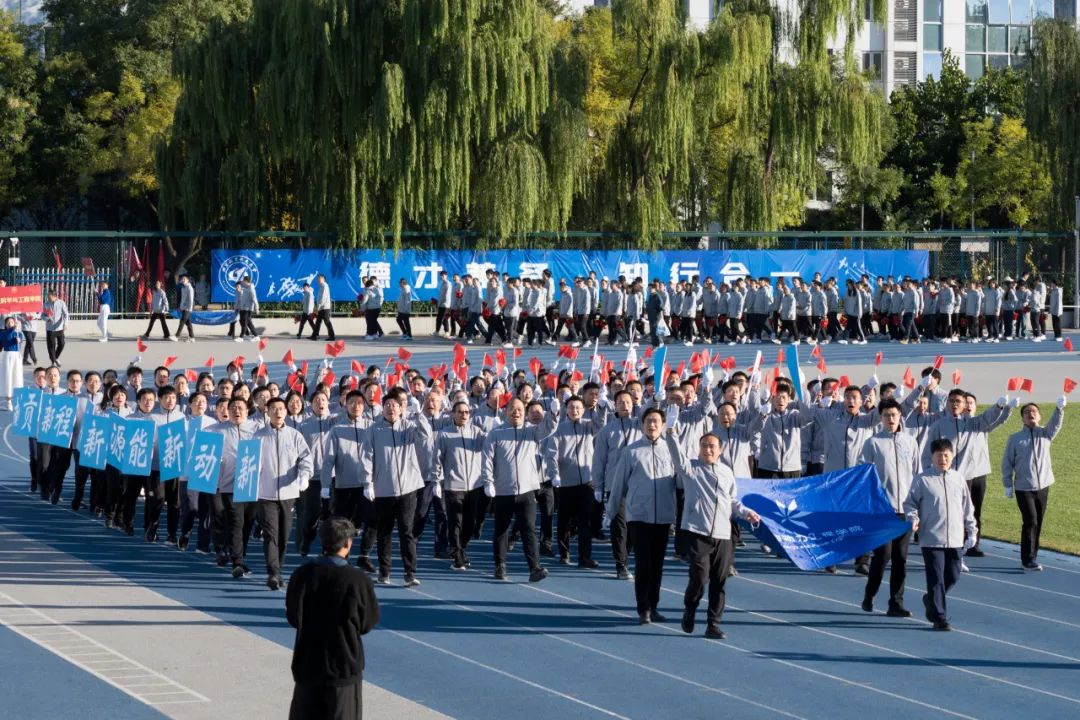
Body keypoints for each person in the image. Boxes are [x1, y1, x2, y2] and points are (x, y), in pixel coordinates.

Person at [666, 430, 759, 639]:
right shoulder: (691, 468)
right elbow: (677, 457)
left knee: (720, 580)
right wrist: (671, 434)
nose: (708, 450)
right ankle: (690, 608)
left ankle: (713, 624)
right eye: (704, 446)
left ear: (720, 450)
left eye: (712, 446)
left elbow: (732, 501)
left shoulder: (726, 472)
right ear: (699, 449)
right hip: (698, 531)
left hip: (723, 534)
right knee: (700, 578)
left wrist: (747, 513)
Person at [286, 517, 380, 720]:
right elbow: (367, 623)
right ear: (348, 544)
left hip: (308, 663)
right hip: (343, 665)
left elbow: (293, 617)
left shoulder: (302, 575)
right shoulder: (358, 580)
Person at [606, 407, 677, 625]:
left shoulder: (671, 450)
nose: (652, 425)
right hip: (638, 515)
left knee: (657, 564)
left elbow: (683, 478)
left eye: (656, 421)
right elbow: (618, 484)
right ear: (642, 425)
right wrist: (610, 512)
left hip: (663, 516)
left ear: (663, 425)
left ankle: (653, 606)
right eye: (648, 421)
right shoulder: (631, 451)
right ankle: (643, 608)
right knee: (643, 563)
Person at [481, 396, 558, 582]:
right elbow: (487, 460)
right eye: (512, 409)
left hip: (527, 491)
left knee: (529, 529)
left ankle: (535, 568)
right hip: (503, 491)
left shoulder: (531, 431)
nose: (516, 413)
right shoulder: (495, 434)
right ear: (505, 411)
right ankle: (500, 565)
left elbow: (548, 428)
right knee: (502, 529)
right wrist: (488, 482)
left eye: (520, 410)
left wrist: (554, 413)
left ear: (525, 414)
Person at [904, 438, 977, 631]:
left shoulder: (958, 479)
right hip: (931, 538)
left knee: (953, 575)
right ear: (932, 457)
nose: (943, 459)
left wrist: (972, 530)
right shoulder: (922, 480)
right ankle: (939, 617)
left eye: (946, 455)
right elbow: (910, 503)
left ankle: (931, 599)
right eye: (939, 456)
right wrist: (913, 518)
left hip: (955, 538)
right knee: (936, 578)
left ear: (952, 456)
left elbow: (967, 507)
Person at [859, 398, 920, 617]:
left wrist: (917, 508)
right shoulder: (872, 443)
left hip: (905, 510)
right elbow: (863, 476)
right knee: (883, 556)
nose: (891, 419)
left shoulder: (910, 442)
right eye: (886, 415)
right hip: (882, 511)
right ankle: (870, 594)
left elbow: (917, 475)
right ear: (881, 418)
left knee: (901, 559)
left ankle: (896, 602)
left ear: (900, 416)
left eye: (894, 415)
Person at [1001, 396, 1066, 571]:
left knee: (1038, 522)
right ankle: (1027, 559)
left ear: (1039, 416)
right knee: (1030, 520)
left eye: (1034, 411)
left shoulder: (1045, 434)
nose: (1031, 413)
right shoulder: (1015, 439)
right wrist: (1007, 484)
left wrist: (1059, 410)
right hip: (1024, 488)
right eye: (1027, 412)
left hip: (1043, 486)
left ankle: (1032, 556)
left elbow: (1055, 424)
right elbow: (1007, 462)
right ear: (1022, 418)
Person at [256, 397, 313, 590]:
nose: (278, 412)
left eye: (281, 408)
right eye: (274, 408)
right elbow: (248, 462)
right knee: (271, 534)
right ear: (267, 411)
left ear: (286, 412)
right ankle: (273, 572)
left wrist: (304, 475)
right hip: (266, 494)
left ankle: (278, 569)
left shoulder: (295, 435)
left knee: (284, 535)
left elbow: (306, 458)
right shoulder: (258, 436)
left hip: (289, 494)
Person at [0, 316, 22, 410]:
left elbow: (20, 341)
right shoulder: (3, 333)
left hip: (17, 356)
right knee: (8, 377)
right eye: (8, 322)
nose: (10, 324)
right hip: (7, 356)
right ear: (5, 325)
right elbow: (6, 338)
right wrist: (13, 328)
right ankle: (8, 401)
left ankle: (17, 399)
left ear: (14, 323)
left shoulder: (18, 333)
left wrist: (19, 340)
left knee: (17, 377)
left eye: (12, 322)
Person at [44, 288, 68, 366]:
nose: (48, 297)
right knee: (51, 346)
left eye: (49, 296)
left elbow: (66, 314)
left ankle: (55, 358)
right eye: (47, 296)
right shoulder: (46, 304)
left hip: (59, 328)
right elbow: (42, 315)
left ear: (54, 296)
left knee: (62, 344)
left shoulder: (61, 303)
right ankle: (53, 362)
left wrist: (65, 324)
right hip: (50, 328)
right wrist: (47, 319)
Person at [311, 274, 336, 341]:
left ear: (323, 279)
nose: (318, 280)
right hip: (321, 307)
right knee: (318, 322)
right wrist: (318, 307)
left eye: (320, 278)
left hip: (325, 307)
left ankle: (332, 336)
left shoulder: (325, 286)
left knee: (327, 321)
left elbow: (323, 298)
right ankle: (315, 335)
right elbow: (319, 298)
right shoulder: (321, 287)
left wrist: (318, 307)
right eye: (318, 279)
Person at [175, 274, 196, 341]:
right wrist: (181, 306)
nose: (183, 280)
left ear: (188, 280)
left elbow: (191, 299)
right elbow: (182, 299)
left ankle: (176, 336)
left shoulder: (190, 288)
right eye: (182, 279)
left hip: (188, 308)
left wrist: (189, 308)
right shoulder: (182, 288)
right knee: (188, 322)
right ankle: (192, 337)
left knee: (182, 321)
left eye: (184, 279)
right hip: (183, 307)